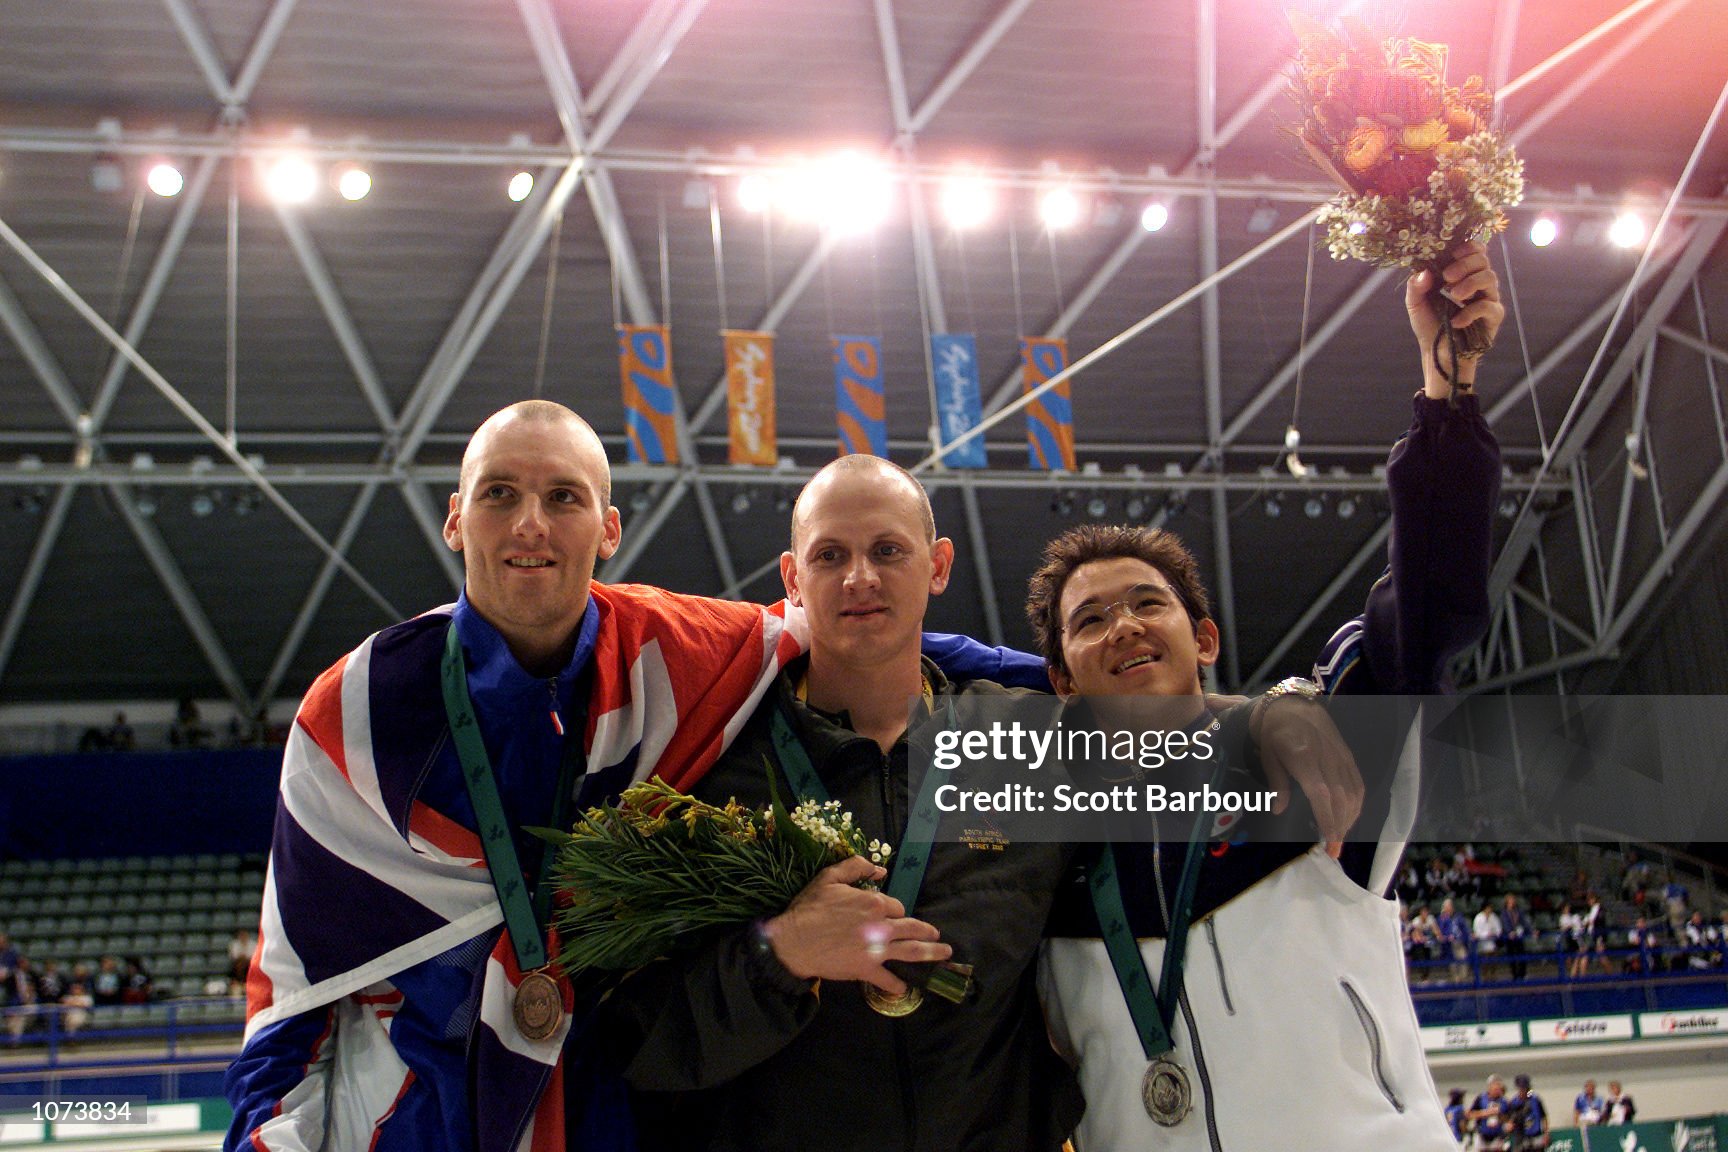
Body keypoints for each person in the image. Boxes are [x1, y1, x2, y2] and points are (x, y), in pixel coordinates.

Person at [222, 399, 1074, 1152]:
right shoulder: (364, 709)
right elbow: (294, 985)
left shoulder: (672, 652)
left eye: (563, 496)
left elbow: (859, 628)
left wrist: (1063, 674)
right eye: (500, 494)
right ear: (455, 519)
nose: (531, 524)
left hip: (605, 1112)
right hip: (422, 1108)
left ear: (609, 527)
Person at [601, 455, 1364, 1149]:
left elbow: (1165, 721)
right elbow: (633, 1043)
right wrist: (780, 955)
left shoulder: (1037, 742)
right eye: (830, 555)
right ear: (792, 580)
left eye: (888, 551)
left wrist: (1277, 708)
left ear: (937, 567)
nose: (860, 577)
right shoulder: (711, 767)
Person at [1031, 240, 1503, 1152]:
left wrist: (1448, 388)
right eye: (1090, 621)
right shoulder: (1042, 859)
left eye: (1148, 604)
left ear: (1203, 639)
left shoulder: (1316, 759)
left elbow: (1430, 605)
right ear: (1060, 681)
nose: (1124, 626)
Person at [1470, 1075, 1511, 1151]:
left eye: (1499, 1087)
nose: (1497, 1090)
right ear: (1489, 1087)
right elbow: (1470, 1114)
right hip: (1482, 1135)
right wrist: (1485, 1113)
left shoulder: (1504, 1102)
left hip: (1497, 1136)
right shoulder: (1480, 1098)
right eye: (1495, 1087)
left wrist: (1501, 1117)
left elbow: (1508, 1118)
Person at [1510, 1073, 1549, 1150]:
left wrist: (1546, 1134)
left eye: (1525, 1088)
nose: (1523, 1090)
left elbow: (1544, 1117)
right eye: (1521, 1088)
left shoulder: (1536, 1099)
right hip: (1521, 1138)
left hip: (1536, 1136)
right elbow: (1511, 1121)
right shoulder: (1514, 1102)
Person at [1502, 894, 1530, 980]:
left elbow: (1524, 922)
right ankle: (1515, 975)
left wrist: (1531, 930)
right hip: (1510, 938)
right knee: (1512, 956)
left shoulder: (1518, 911)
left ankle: (1522, 974)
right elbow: (1505, 923)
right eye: (1510, 900)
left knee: (1522, 954)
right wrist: (1510, 932)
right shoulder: (1504, 913)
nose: (1512, 902)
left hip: (1519, 936)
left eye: (1513, 900)